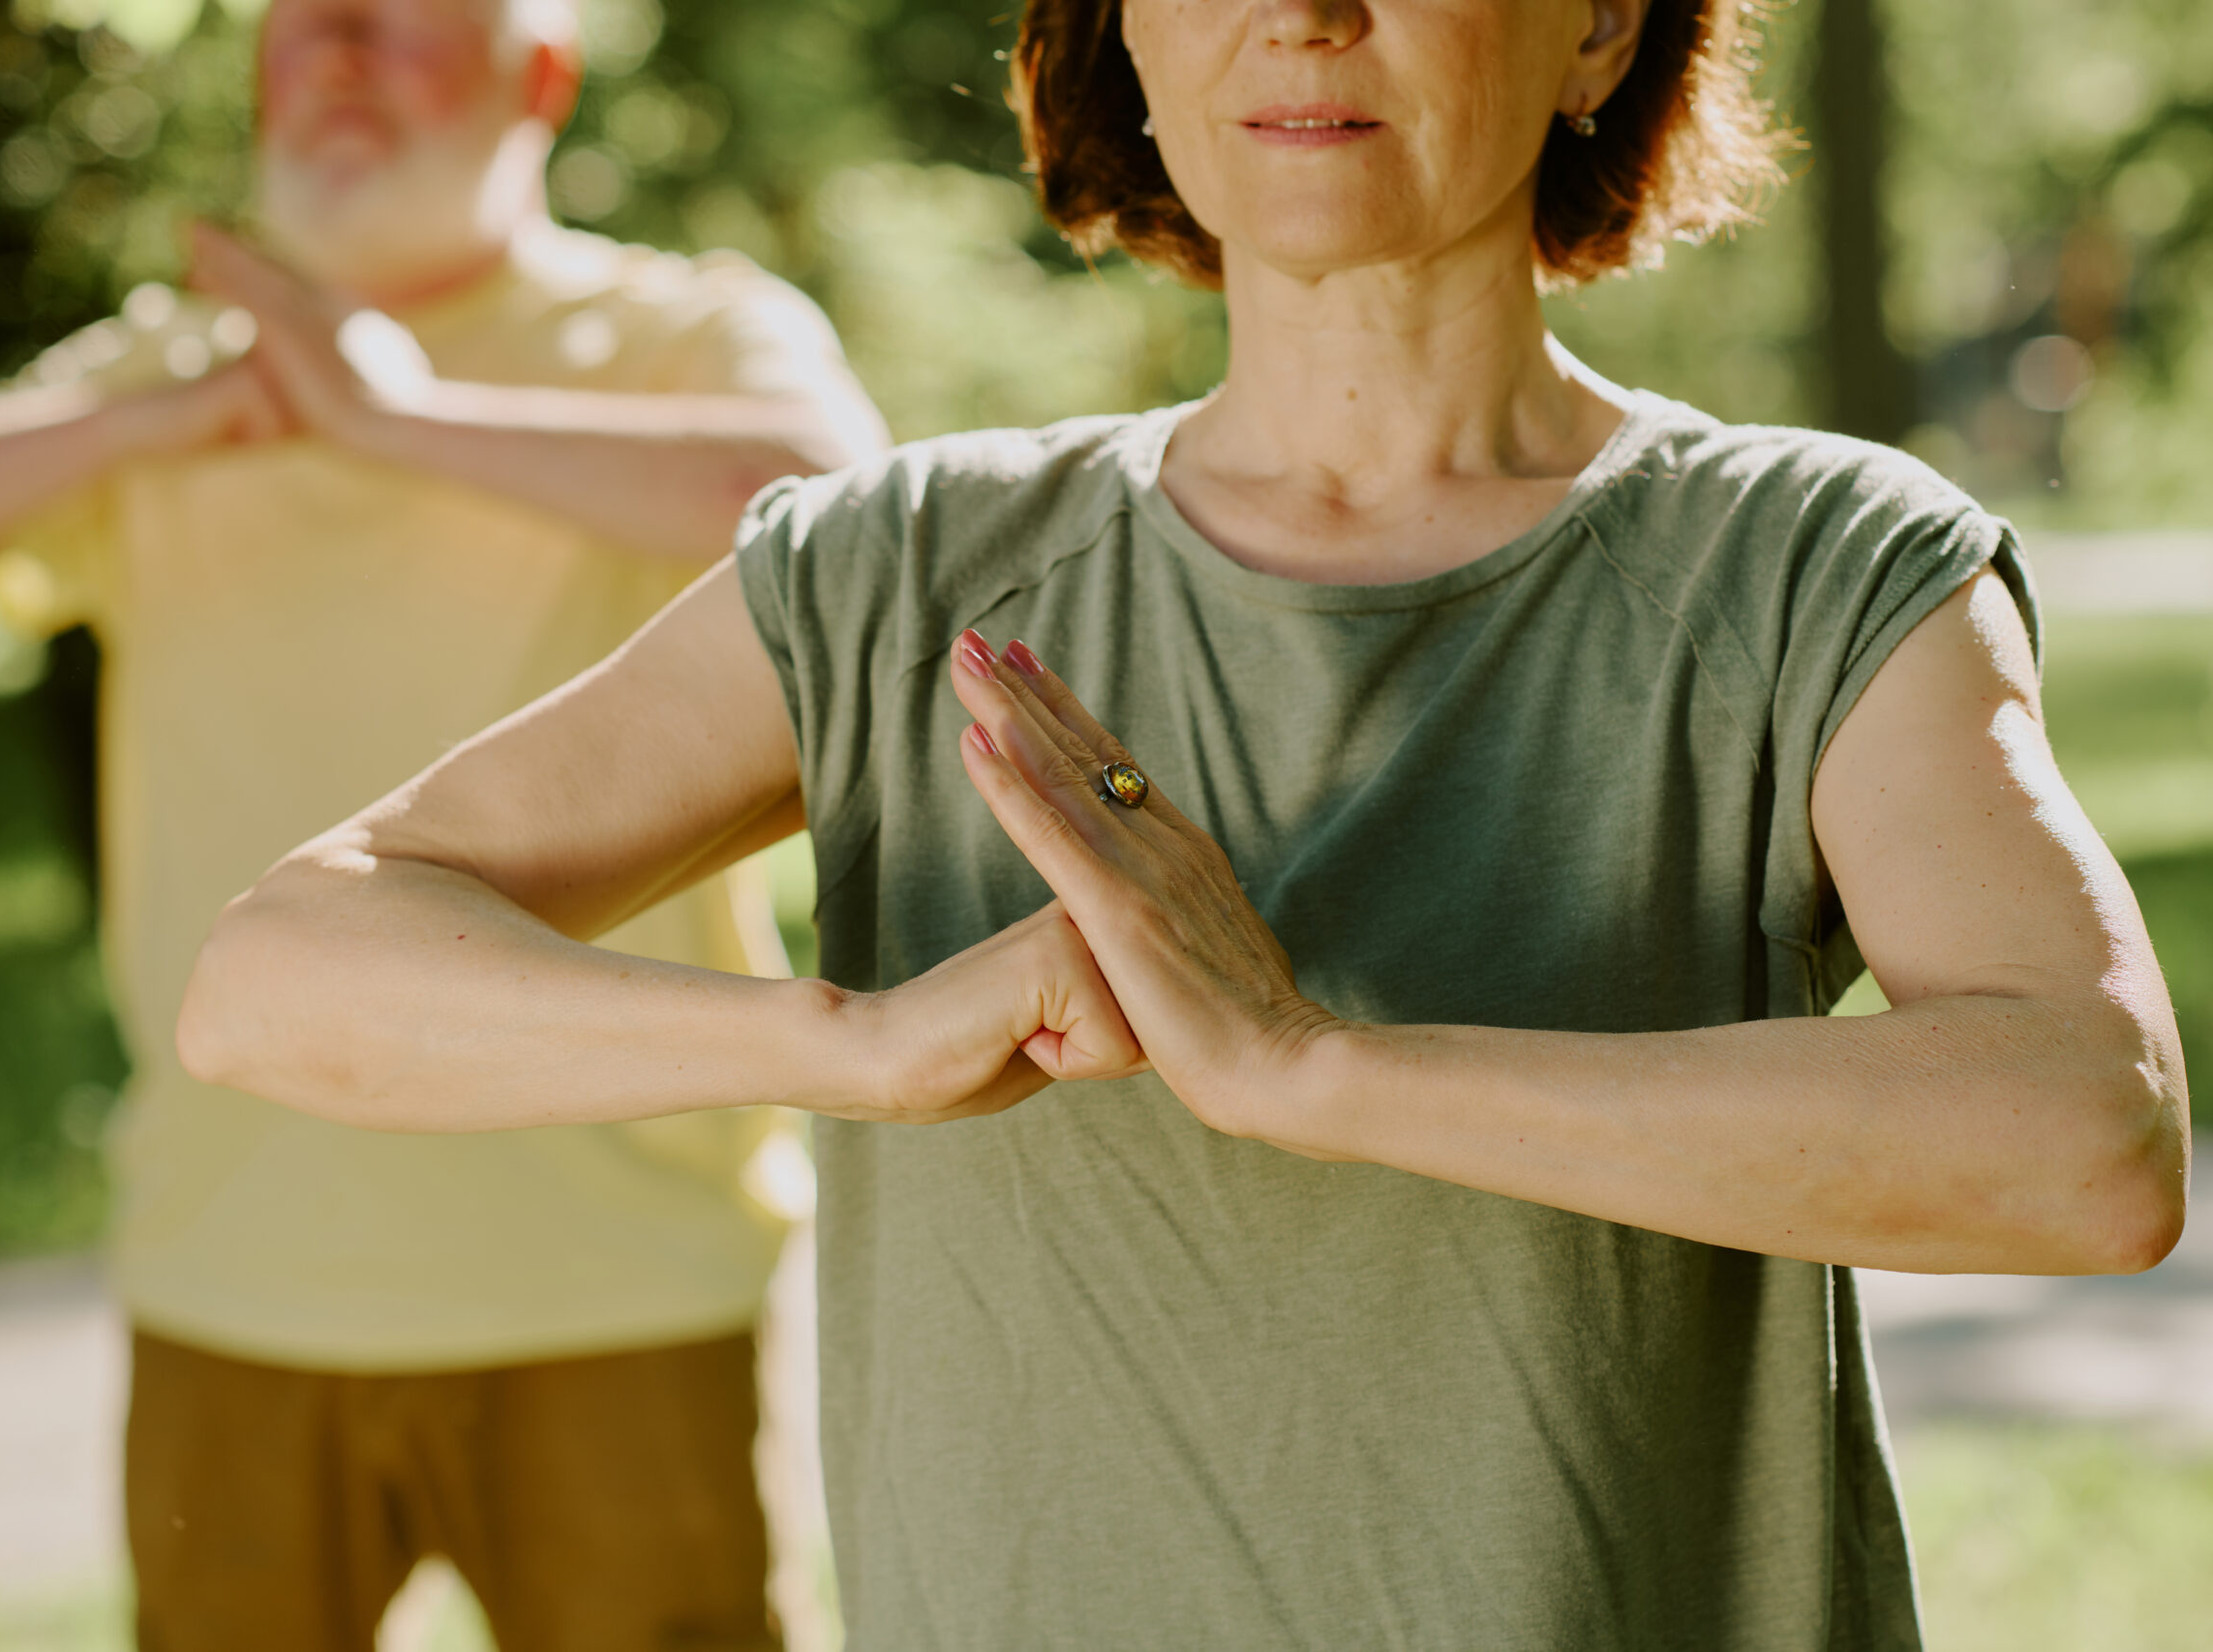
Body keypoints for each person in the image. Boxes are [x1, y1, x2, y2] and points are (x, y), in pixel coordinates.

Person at [175, 0, 2192, 1644]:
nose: (1300, 17)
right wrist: (842, 1046)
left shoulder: (1814, 561)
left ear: (1595, 35)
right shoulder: (903, 564)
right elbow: (277, 977)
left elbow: (2084, 1142)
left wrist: (1312, 1064)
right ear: (1128, 43)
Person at [0, 0, 884, 1643]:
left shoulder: (679, 330)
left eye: (404, 16)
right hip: (236, 1277)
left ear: (543, 77)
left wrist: (393, 417)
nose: (339, 50)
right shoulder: (173, 365)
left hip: (616, 1282)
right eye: (302, 19)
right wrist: (174, 416)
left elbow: (840, 511)